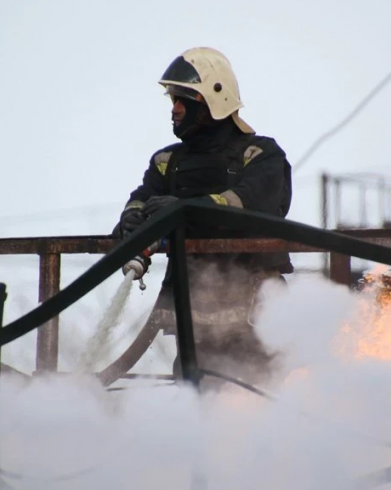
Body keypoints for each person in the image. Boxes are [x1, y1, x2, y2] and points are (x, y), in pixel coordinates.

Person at [112, 47, 293, 389]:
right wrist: (132, 221)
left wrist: (181, 210)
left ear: (213, 99)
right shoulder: (168, 161)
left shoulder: (260, 155)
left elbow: (249, 204)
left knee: (265, 409)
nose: (175, 110)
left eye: (183, 100)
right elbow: (142, 197)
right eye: (173, 100)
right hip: (193, 319)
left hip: (257, 318)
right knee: (198, 419)